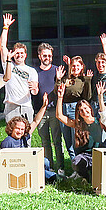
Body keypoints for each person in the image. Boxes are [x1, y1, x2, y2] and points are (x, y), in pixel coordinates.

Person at [55, 81, 106, 181]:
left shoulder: (99, 121)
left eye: (85, 108)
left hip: (99, 154)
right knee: (76, 162)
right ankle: (85, 178)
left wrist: (100, 96)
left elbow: (103, 111)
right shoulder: (78, 124)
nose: (84, 111)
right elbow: (59, 116)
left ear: (90, 108)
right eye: (81, 110)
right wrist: (60, 97)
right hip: (84, 157)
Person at [0, 94, 57, 183]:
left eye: (22, 129)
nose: (20, 131)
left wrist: (44, 106)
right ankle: (50, 178)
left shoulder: (23, 138)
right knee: (52, 176)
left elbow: (36, 121)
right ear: (12, 128)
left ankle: (46, 177)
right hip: (19, 167)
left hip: (28, 163)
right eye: (17, 129)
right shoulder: (8, 142)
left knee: (45, 161)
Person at [0, 13, 39, 121]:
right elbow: (2, 47)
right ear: (13, 54)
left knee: (27, 136)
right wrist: (5, 27)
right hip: (11, 106)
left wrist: (35, 88)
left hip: (26, 106)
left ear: (25, 55)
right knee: (12, 136)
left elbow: (35, 91)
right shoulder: (9, 65)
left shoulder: (32, 71)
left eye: (21, 53)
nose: (19, 55)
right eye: (17, 53)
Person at [33, 42, 65, 177]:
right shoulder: (34, 72)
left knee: (57, 141)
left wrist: (59, 79)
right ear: (39, 56)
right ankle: (49, 167)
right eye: (45, 55)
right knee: (45, 141)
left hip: (54, 111)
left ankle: (61, 167)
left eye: (50, 56)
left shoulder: (57, 70)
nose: (47, 58)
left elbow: (63, 89)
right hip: (40, 112)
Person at [56, 56, 93, 167]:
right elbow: (56, 92)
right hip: (63, 108)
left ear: (82, 67)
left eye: (78, 65)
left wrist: (88, 81)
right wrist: (58, 79)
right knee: (67, 140)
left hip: (75, 109)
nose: (75, 67)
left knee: (75, 140)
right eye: (73, 65)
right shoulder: (66, 79)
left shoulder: (83, 79)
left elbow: (87, 97)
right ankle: (74, 166)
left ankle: (79, 164)